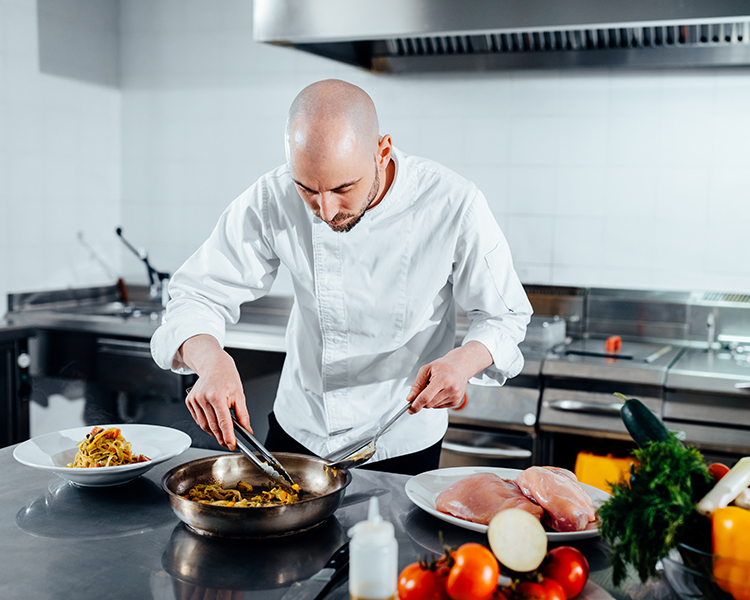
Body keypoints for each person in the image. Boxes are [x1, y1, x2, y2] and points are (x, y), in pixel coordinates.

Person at [150, 79, 532, 475]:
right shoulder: (272, 197)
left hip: (400, 434)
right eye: (307, 190)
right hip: (301, 427)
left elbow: (504, 316)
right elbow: (197, 294)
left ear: (382, 152)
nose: (327, 211)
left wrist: (464, 362)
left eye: (343, 188)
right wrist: (210, 360)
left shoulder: (453, 203)